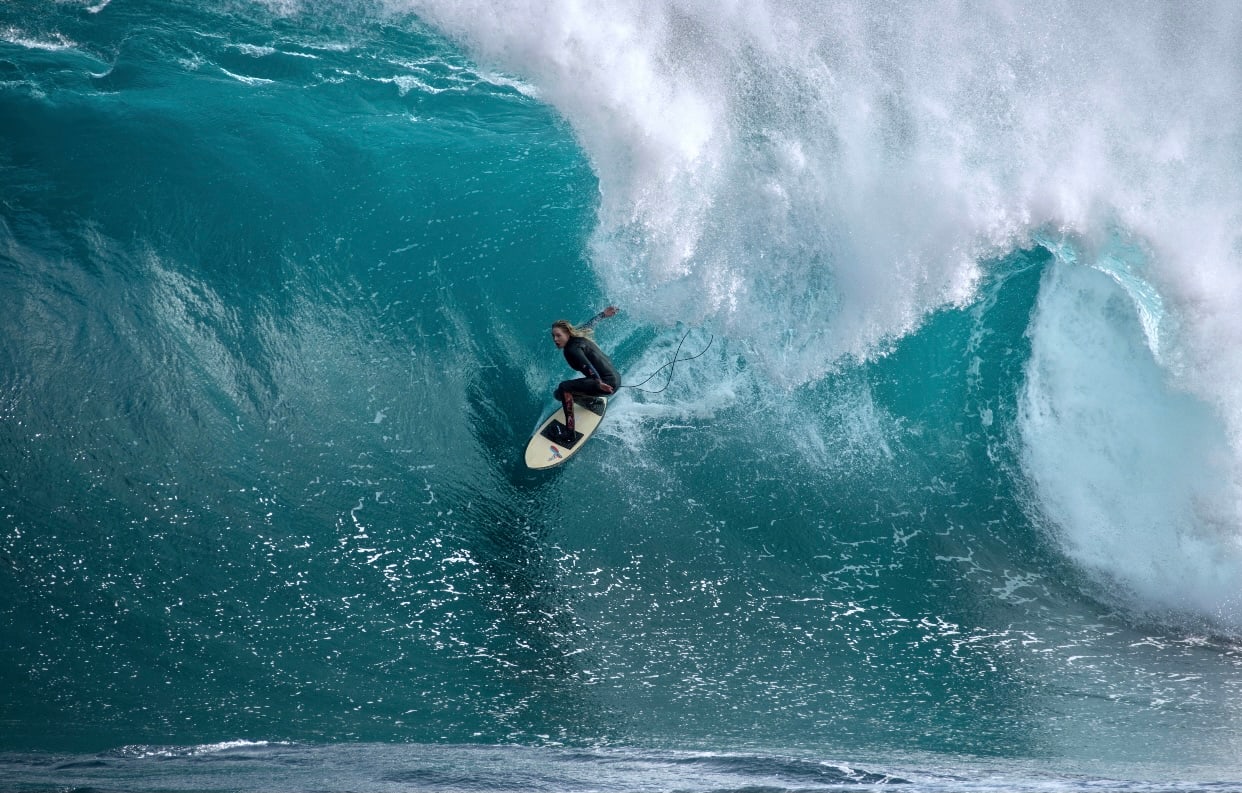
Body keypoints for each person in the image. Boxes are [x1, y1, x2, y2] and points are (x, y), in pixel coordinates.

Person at [549, 306, 620, 445]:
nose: (555, 339)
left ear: (568, 334)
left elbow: (587, 365)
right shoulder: (577, 336)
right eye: (553, 336)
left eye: (558, 335)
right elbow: (589, 325)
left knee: (563, 389)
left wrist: (598, 382)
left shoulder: (571, 349)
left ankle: (570, 434)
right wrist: (603, 315)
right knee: (559, 394)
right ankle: (591, 402)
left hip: (605, 383)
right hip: (615, 379)